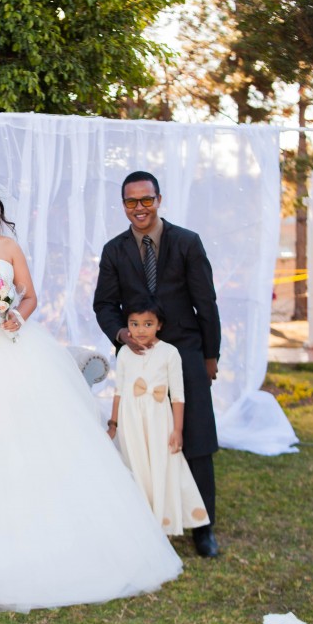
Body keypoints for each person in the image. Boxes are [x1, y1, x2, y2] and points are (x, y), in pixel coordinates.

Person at [0, 178, 183, 612]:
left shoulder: (8, 249)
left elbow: (29, 297)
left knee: (24, 438)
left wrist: (15, 318)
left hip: (8, 348)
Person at [93, 170, 222, 558]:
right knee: (142, 439)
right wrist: (121, 335)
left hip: (185, 352)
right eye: (131, 202)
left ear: (159, 200)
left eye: (146, 200)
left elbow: (207, 303)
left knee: (195, 437)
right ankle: (147, 519)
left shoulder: (187, 243)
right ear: (123, 206)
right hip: (136, 360)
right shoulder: (115, 250)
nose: (140, 208)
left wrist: (210, 356)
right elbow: (104, 304)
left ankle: (203, 528)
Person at [108, 298, 211, 536]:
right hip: (130, 419)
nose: (140, 330)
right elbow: (119, 391)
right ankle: (142, 522)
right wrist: (113, 424)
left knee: (161, 463)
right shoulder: (124, 353)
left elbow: (178, 395)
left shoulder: (170, 353)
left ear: (159, 325)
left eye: (147, 324)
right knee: (137, 464)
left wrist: (177, 430)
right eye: (134, 324)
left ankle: (163, 520)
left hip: (159, 419)